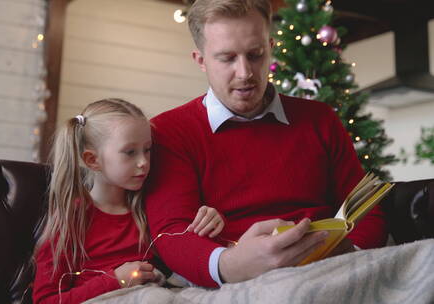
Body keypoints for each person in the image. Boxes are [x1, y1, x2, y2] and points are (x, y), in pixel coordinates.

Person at [144, 0, 387, 288]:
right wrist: (229, 265)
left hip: (333, 268)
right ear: (200, 60)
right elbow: (170, 233)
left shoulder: (320, 119)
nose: (245, 72)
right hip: (237, 278)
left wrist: (351, 256)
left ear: (270, 46)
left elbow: (366, 206)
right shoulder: (169, 131)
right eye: (227, 58)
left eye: (255, 54)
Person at [32, 98, 225, 303]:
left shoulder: (149, 207)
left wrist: (210, 223)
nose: (143, 162)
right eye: (130, 152)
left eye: (147, 149)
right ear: (92, 160)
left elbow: (183, 256)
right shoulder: (72, 220)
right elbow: (45, 300)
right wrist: (116, 280)